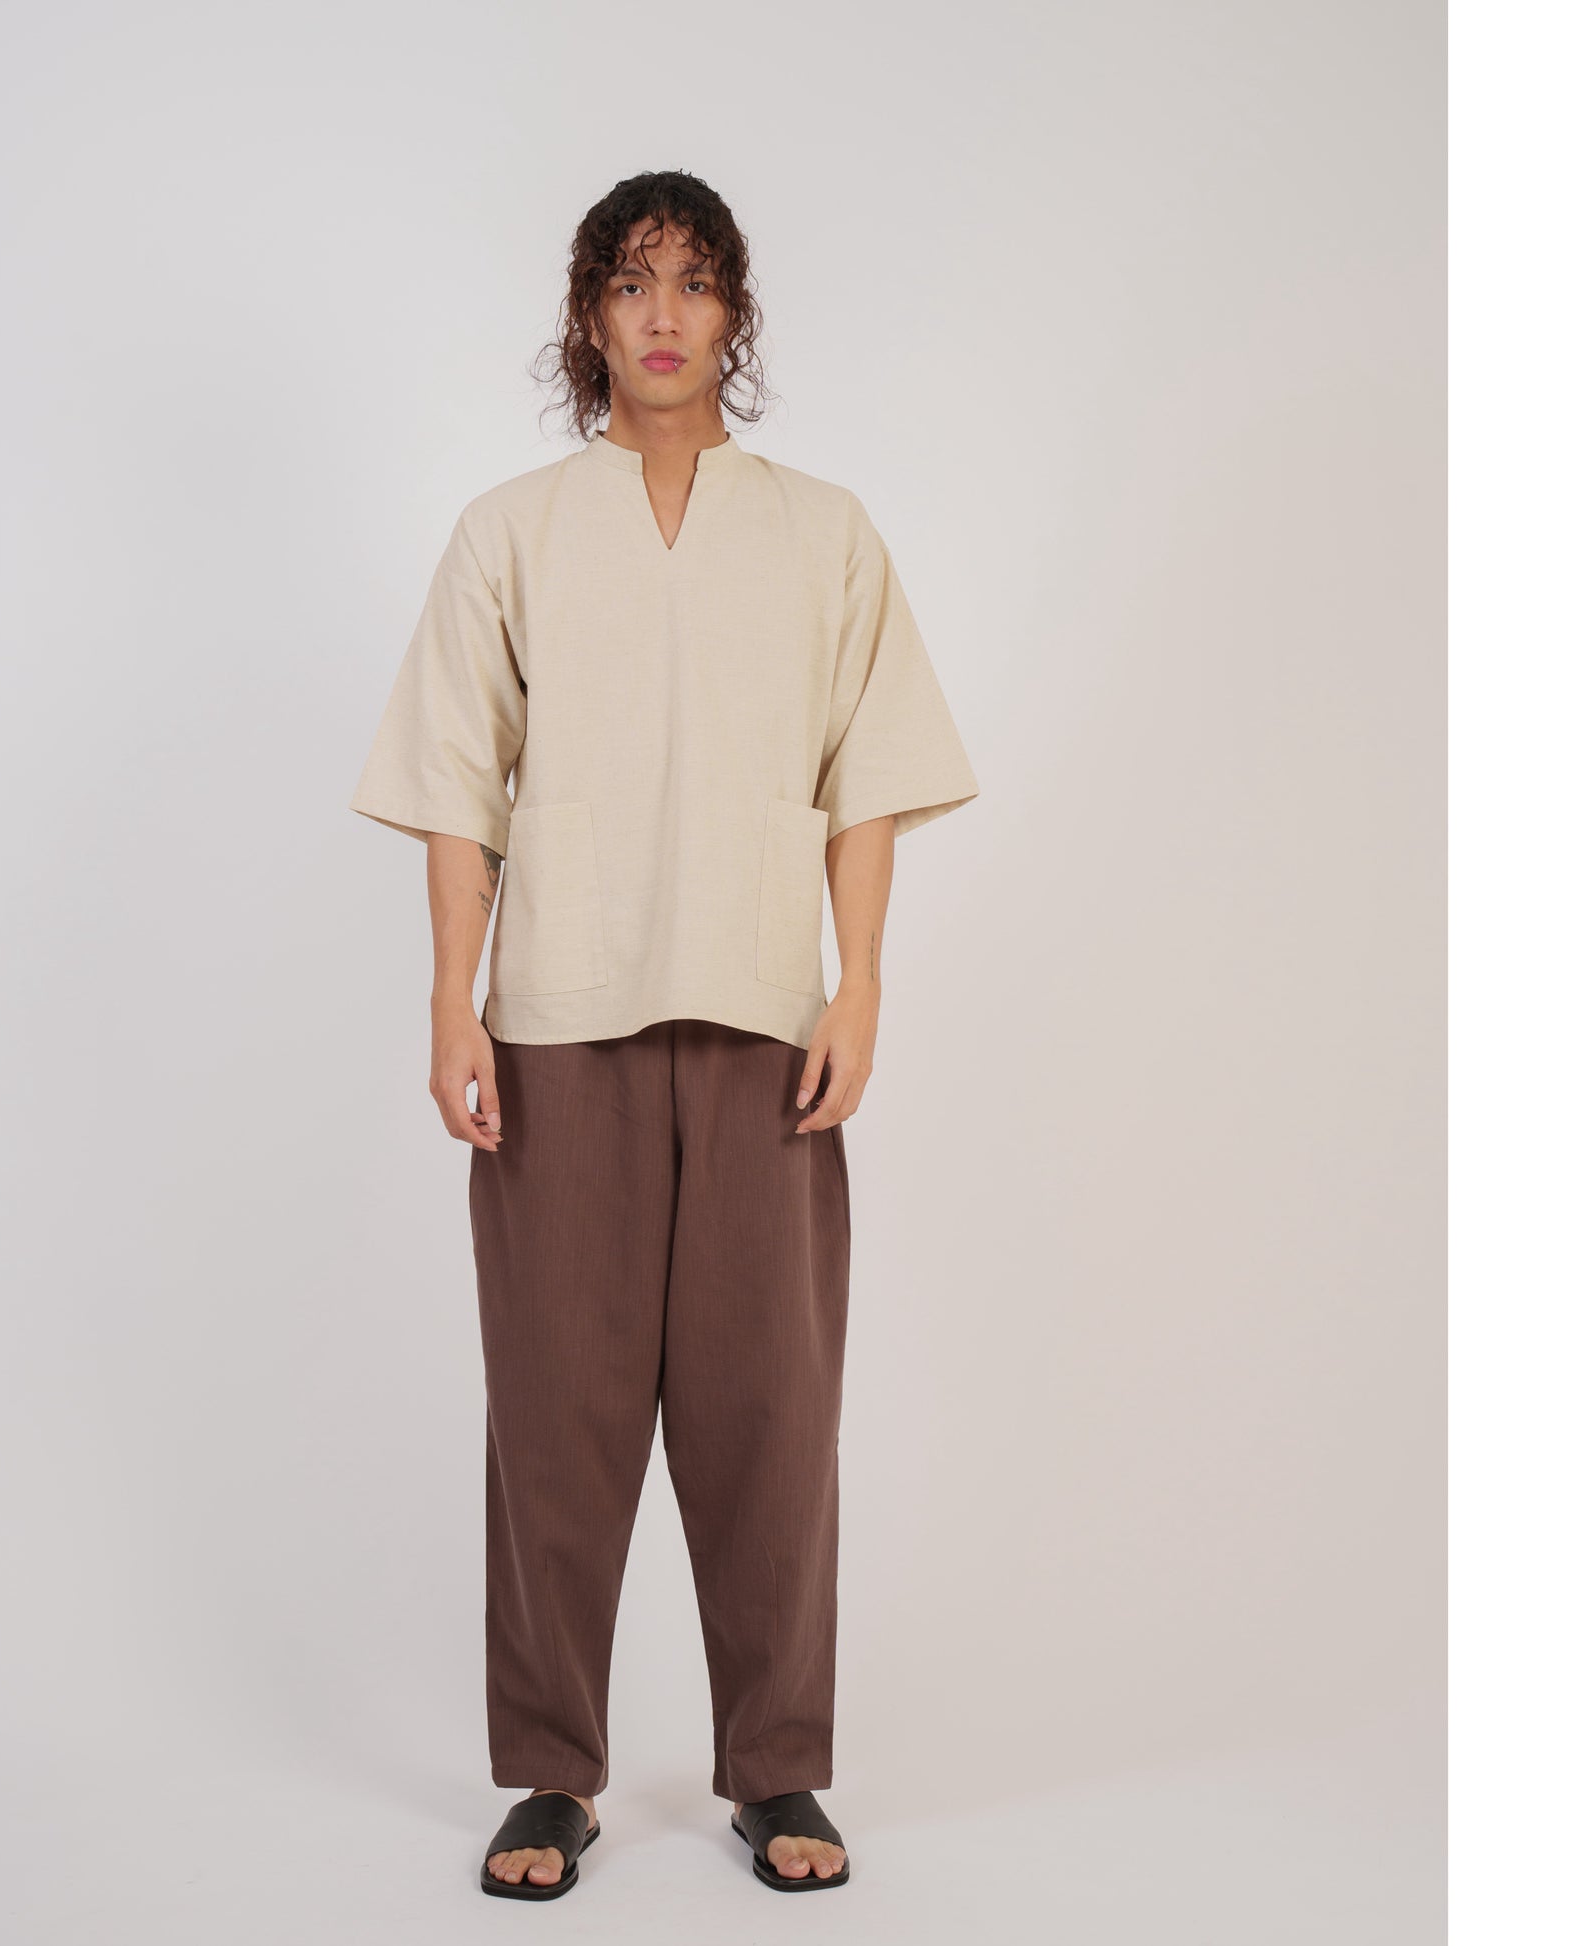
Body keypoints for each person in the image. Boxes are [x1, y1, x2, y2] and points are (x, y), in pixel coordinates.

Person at [351, 169, 979, 1899]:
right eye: (629, 281)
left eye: (694, 281)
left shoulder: (823, 531)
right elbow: (457, 784)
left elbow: (868, 771)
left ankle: (777, 1767)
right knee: (556, 1411)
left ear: (733, 313)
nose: (661, 313)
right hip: (560, 1017)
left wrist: (860, 982)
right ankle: (550, 1774)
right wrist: (451, 996)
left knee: (769, 1407)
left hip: (765, 1017)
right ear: (587, 314)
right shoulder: (510, 531)